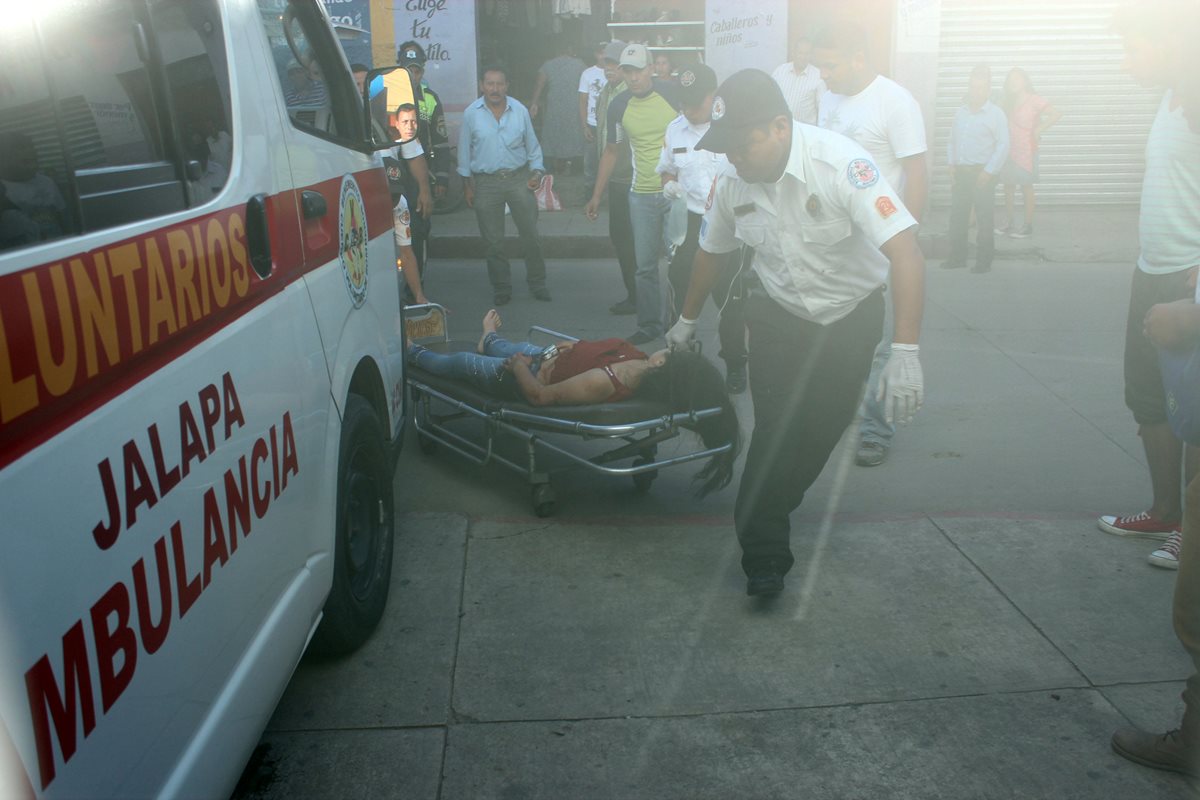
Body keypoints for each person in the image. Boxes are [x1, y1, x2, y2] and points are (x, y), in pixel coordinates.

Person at [666, 69, 926, 597]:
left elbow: (906, 251)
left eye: (744, 143)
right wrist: (685, 321)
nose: (735, 156)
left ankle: (773, 503)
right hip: (777, 314)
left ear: (780, 127)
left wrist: (905, 351)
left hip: (849, 317)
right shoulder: (732, 181)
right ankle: (763, 552)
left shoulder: (842, 165)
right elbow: (710, 252)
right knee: (777, 427)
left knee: (823, 428)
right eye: (727, 147)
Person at [408, 310, 740, 497]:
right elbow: (596, 352)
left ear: (660, 366)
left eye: (671, 352)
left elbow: (539, 396)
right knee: (508, 344)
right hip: (546, 356)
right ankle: (489, 339)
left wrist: (521, 368)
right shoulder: (640, 363)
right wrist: (574, 347)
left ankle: (412, 351)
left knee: (457, 363)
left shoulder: (605, 382)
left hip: (518, 378)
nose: (667, 347)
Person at [1098, 0, 1200, 562]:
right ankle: (1166, 513)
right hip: (1151, 271)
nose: (1125, 61)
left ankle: (1195, 531)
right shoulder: (1170, 98)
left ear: (1170, 44)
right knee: (1147, 397)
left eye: (1133, 47)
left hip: (1189, 283)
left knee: (1195, 406)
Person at [813, 21, 929, 468]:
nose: (824, 74)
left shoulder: (895, 101)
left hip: (882, 242)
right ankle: (841, 413)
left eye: (831, 65)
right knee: (842, 335)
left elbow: (916, 171)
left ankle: (876, 430)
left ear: (858, 58)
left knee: (884, 344)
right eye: (821, 65)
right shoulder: (828, 96)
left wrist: (907, 240)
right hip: (835, 241)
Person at [656, 64, 747, 394]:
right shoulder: (675, 130)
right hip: (691, 222)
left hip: (729, 224)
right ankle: (680, 359)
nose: (688, 110)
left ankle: (736, 363)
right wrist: (669, 185)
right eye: (683, 102)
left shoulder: (733, 128)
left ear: (714, 97)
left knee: (730, 302)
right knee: (680, 293)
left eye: (696, 102)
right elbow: (666, 171)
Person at [585, 43, 682, 345]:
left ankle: (679, 324)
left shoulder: (673, 94)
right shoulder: (618, 105)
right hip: (640, 195)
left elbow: (695, 133)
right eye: (628, 71)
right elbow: (611, 152)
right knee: (644, 266)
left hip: (675, 193)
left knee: (677, 264)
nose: (633, 77)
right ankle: (650, 324)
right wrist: (596, 195)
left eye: (638, 70)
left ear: (651, 68)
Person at [457, 64, 551, 306]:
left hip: (519, 180)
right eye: (490, 84)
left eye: (499, 84)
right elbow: (464, 153)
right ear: (482, 86)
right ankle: (501, 288)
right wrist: (467, 185)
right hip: (486, 184)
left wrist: (537, 173)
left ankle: (538, 284)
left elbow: (533, 147)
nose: (495, 89)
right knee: (493, 241)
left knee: (530, 235)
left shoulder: (519, 110)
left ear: (506, 86)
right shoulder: (471, 114)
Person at [944, 65, 1008, 274]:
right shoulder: (960, 113)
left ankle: (984, 261)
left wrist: (989, 172)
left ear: (988, 90)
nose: (975, 92)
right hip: (961, 173)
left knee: (984, 219)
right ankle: (957, 257)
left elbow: (1003, 145)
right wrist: (951, 165)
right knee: (958, 217)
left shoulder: (996, 114)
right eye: (972, 87)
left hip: (983, 175)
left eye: (980, 88)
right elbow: (952, 140)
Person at [398, 42, 450, 277]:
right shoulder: (385, 98)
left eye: (416, 70)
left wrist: (441, 179)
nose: (412, 75)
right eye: (407, 69)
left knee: (418, 231)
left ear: (423, 71)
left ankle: (417, 292)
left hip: (420, 177)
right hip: (393, 174)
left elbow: (440, 141)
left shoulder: (430, 99)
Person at [595, 40, 639, 316]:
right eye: (606, 63)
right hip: (614, 177)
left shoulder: (630, 94)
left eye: (614, 64)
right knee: (621, 238)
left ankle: (638, 297)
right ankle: (635, 294)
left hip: (629, 177)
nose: (609, 68)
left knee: (630, 240)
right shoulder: (606, 92)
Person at [996, 68, 1061, 239]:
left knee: (1026, 187)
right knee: (1008, 186)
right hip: (1009, 150)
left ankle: (1027, 226)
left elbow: (1055, 114)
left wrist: (1039, 129)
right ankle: (1009, 222)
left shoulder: (1034, 100)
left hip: (1026, 150)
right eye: (1010, 79)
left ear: (1025, 81)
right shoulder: (1007, 102)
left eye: (1017, 79)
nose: (1013, 82)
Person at [530, 38, 586, 174]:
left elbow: (539, 85)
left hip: (555, 104)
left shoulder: (547, 65)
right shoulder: (580, 64)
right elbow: (586, 84)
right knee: (575, 133)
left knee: (552, 133)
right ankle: (576, 167)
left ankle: (548, 167)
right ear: (570, 49)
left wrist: (534, 103)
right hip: (574, 104)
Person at [0, 131, 66, 243]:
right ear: (4, 160)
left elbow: (63, 215)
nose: (34, 166)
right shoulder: (2, 191)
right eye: (26, 162)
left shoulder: (46, 182)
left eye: (35, 160)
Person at [771, 37, 826, 125]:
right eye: (800, 53)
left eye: (807, 53)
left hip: (804, 133)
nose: (803, 57)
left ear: (811, 55)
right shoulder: (780, 71)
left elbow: (823, 108)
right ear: (794, 53)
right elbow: (770, 98)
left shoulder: (818, 76)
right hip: (780, 129)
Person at [579, 42, 608, 197]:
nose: (604, 56)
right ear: (596, 54)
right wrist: (585, 126)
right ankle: (588, 197)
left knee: (611, 162)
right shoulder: (587, 74)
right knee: (590, 164)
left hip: (609, 125)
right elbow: (583, 101)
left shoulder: (616, 72)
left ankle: (608, 198)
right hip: (593, 124)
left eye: (606, 53)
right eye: (601, 53)